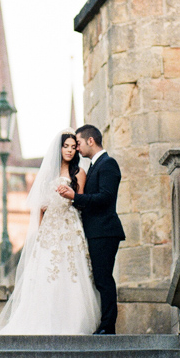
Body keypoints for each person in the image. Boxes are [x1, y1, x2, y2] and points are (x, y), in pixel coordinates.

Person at [0, 131, 102, 335]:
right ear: (59, 149)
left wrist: (71, 196)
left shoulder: (79, 173)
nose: (69, 150)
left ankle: (72, 324)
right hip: (50, 229)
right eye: (66, 146)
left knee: (71, 273)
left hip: (70, 227)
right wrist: (40, 232)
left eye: (73, 147)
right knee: (46, 274)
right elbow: (40, 207)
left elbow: (82, 202)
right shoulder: (47, 175)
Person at [56, 124, 124, 334]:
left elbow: (105, 198)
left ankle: (108, 326)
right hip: (95, 231)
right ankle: (104, 324)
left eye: (78, 143)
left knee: (104, 279)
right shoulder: (95, 165)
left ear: (90, 141)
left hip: (104, 231)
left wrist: (74, 197)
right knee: (99, 279)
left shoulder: (108, 164)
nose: (77, 148)